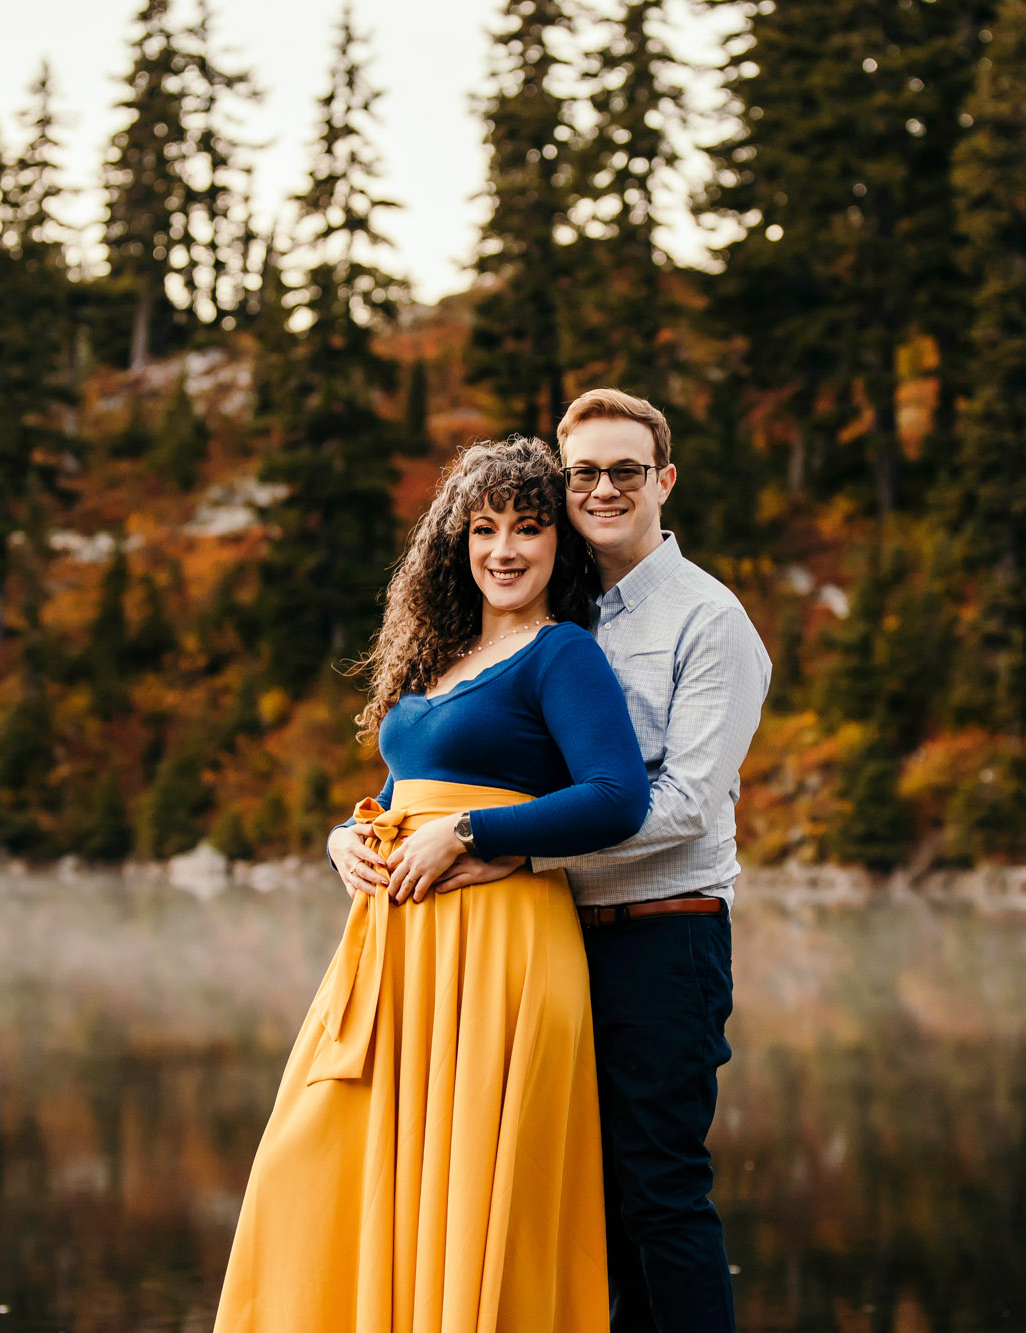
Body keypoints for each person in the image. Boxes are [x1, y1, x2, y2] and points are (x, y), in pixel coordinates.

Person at [216, 435, 651, 1333]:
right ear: (455, 542)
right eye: (484, 528)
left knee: (472, 1194)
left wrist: (469, 830)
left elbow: (617, 798)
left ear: (558, 544)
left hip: (497, 953)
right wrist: (347, 834)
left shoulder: (561, 653)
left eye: (528, 529)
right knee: (321, 1161)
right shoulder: (438, 656)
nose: (504, 549)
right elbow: (401, 788)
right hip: (397, 958)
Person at [438, 389, 771, 1333]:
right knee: (586, 1201)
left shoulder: (712, 621)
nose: (604, 488)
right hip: (555, 945)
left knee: (660, 1193)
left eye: (626, 469)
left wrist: (510, 849)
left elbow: (680, 807)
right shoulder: (561, 613)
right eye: (584, 471)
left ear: (664, 480)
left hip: (664, 940)